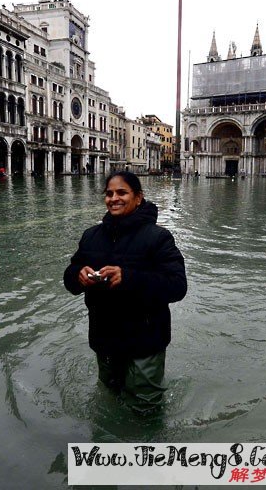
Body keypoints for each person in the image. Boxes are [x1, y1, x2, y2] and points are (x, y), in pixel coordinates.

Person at [63, 171, 187, 413]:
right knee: (109, 400)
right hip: (104, 339)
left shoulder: (159, 238)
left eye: (122, 192)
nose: (113, 198)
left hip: (145, 342)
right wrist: (77, 275)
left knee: (145, 408)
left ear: (138, 198)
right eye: (109, 193)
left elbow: (177, 286)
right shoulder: (91, 236)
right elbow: (70, 278)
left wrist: (129, 277)